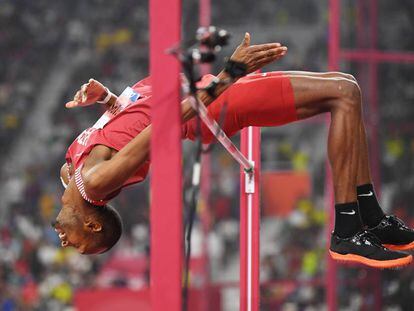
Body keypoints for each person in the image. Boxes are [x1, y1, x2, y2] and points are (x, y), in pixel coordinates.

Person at [54, 33, 414, 268]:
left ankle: (372, 217)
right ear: (91, 222)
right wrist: (230, 75)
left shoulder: (70, 171)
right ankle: (349, 229)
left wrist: (109, 100)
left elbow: (127, 127)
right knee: (344, 93)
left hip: (192, 92)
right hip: (206, 105)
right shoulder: (96, 183)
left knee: (347, 88)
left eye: (75, 246)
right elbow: (160, 127)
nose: (66, 243)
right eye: (79, 245)